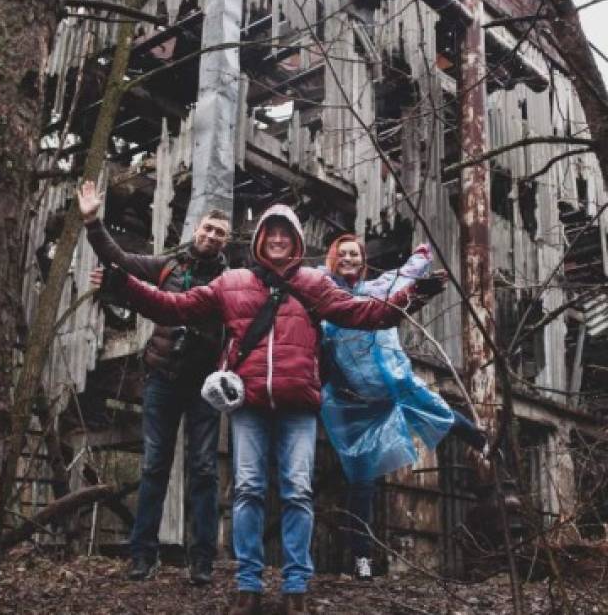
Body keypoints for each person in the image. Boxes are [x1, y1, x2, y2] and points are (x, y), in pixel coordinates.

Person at [99, 204, 446, 615]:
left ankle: (296, 585)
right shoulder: (233, 283)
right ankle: (249, 585)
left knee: (298, 491)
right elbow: (174, 307)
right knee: (247, 490)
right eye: (271, 232)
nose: (278, 239)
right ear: (261, 238)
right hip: (249, 405)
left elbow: (366, 313)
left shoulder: (314, 283)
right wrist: (125, 285)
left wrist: (415, 294)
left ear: (296, 241)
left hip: (298, 404)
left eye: (286, 233)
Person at [77, 181, 230, 584]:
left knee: (203, 469)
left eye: (220, 233)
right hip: (161, 378)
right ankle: (142, 556)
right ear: (197, 230)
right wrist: (93, 221)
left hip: (204, 386)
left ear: (226, 241)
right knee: (154, 466)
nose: (212, 236)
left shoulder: (230, 282)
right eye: (208, 229)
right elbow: (120, 259)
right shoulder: (169, 267)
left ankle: (202, 561)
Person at [320, 234, 488, 580]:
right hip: (355, 403)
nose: (349, 259)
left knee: (439, 411)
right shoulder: (324, 297)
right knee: (361, 482)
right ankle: (361, 559)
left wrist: (425, 251)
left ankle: (483, 442)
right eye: (343, 254)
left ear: (363, 260)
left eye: (355, 254)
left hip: (396, 381)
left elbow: (407, 272)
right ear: (333, 259)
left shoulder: (379, 287)